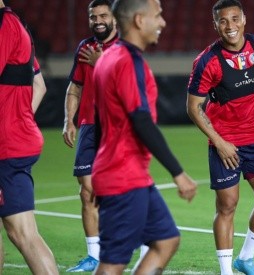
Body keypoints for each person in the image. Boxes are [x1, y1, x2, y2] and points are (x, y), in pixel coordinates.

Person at [187, 1, 254, 274]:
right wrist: (219, 142)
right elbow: (193, 107)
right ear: (216, 25)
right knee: (227, 205)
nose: (230, 26)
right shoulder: (207, 61)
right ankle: (226, 271)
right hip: (225, 144)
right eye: (223, 21)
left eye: (235, 18)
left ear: (244, 19)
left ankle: (245, 258)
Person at [92, 0, 197, 274]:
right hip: (124, 177)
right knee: (113, 264)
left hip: (126, 174)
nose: (162, 22)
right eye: (158, 16)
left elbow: (99, 122)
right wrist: (178, 173)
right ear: (139, 20)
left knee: (166, 240)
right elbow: (141, 120)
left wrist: (97, 171)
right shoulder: (128, 61)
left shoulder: (107, 58)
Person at [62, 0, 121, 272]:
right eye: (92, 16)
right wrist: (68, 120)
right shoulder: (85, 48)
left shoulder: (126, 48)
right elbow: (75, 86)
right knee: (87, 191)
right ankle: (94, 256)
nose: (97, 20)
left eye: (102, 15)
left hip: (118, 127)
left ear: (114, 18)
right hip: (88, 126)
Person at [0, 2, 58, 274]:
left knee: (23, 233)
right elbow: (40, 85)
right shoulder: (16, 25)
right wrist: (19, 119)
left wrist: (12, 123)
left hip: (5, 147)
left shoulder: (3, 25)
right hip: (14, 138)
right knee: (17, 232)